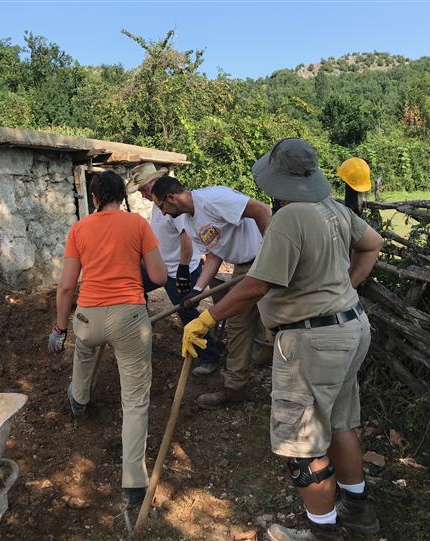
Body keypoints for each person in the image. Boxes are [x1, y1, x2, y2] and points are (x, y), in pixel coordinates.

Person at [180, 138, 383, 540]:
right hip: (350, 328)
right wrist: (346, 287)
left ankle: (321, 531)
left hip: (313, 343)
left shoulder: (290, 219)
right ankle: (358, 512)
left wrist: (207, 319)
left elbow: (256, 285)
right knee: (341, 422)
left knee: (303, 443)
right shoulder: (333, 209)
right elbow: (372, 244)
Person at [48, 170, 167, 511]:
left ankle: (79, 399)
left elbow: (67, 286)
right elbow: (159, 276)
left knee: (84, 352)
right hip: (129, 318)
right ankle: (133, 483)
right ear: (122, 196)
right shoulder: (137, 225)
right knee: (134, 399)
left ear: (96, 197)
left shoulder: (79, 228)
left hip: (87, 316)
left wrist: (59, 329)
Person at [150, 177, 271, 409]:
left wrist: (271, 255)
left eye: (161, 207)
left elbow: (261, 210)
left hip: (264, 260)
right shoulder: (188, 221)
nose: (162, 214)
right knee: (237, 325)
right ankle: (235, 388)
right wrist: (196, 290)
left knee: (279, 325)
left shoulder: (214, 199)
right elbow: (214, 256)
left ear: (172, 198)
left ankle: (292, 392)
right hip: (241, 268)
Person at [125, 163, 220, 376]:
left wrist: (183, 270)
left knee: (186, 311)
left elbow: (186, 237)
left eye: (142, 190)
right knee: (132, 283)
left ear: (151, 184)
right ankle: (140, 329)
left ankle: (211, 356)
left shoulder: (171, 203)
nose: (141, 195)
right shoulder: (158, 203)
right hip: (161, 267)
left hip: (179, 271)